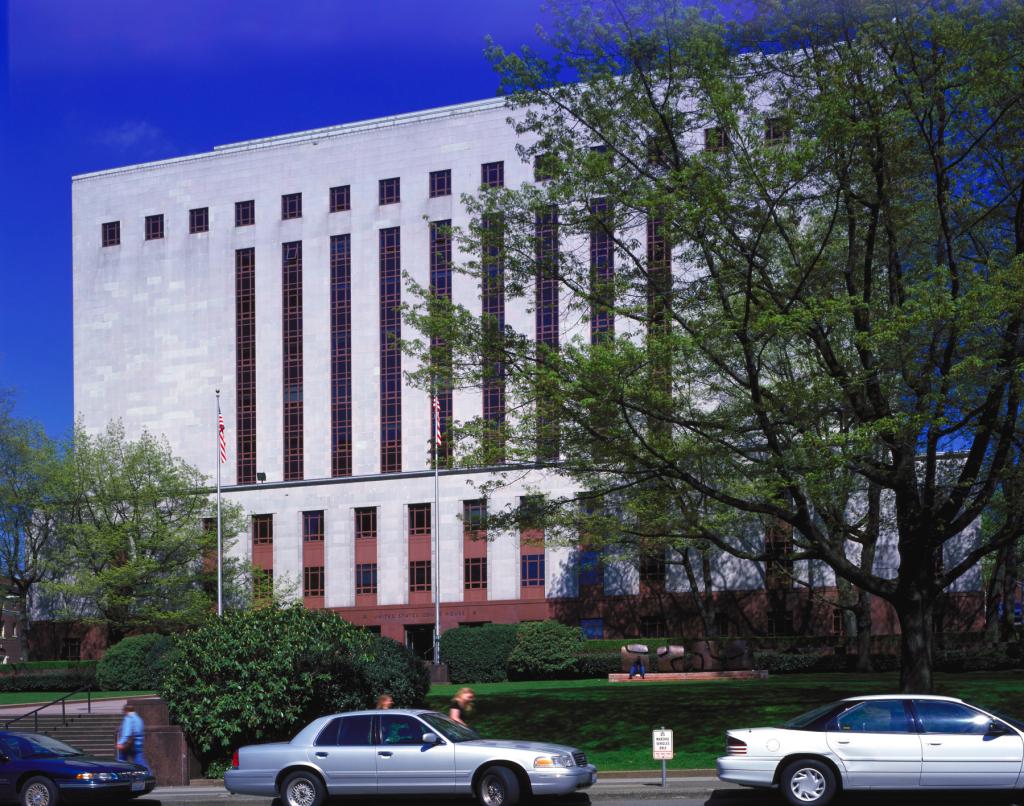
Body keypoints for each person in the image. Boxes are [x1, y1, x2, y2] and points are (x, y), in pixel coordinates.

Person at [116, 704, 148, 771]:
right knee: (140, 761)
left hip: (128, 745)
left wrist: (120, 742)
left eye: (124, 711)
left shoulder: (128, 718)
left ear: (126, 710)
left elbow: (127, 732)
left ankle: (118, 774)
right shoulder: (139, 718)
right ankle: (149, 773)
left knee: (120, 762)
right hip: (138, 744)